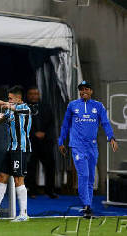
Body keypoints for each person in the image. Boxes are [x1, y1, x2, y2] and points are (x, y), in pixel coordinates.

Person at [58, 80, 118, 219]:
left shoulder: (98, 106)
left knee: (91, 177)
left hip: (92, 146)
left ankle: (88, 205)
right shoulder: (73, 105)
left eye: (86, 89)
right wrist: (61, 141)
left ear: (91, 91)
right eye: (81, 89)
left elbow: (105, 123)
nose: (83, 91)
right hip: (77, 146)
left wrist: (111, 137)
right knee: (83, 175)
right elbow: (65, 125)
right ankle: (86, 205)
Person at [0, 86, 32, 222]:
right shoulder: (10, 112)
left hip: (20, 149)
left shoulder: (25, 109)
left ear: (19, 98)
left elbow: (2, 104)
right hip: (11, 149)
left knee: (18, 179)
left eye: (10, 98)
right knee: (2, 176)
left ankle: (23, 213)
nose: (8, 101)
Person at [26, 86, 58, 199]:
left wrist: (44, 133)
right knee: (31, 167)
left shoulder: (46, 107)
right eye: (31, 94)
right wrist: (34, 133)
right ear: (28, 95)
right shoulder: (24, 108)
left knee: (50, 166)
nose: (34, 96)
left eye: (36, 94)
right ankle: (32, 190)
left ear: (39, 95)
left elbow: (51, 123)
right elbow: (24, 124)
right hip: (31, 141)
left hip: (46, 141)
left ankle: (50, 190)